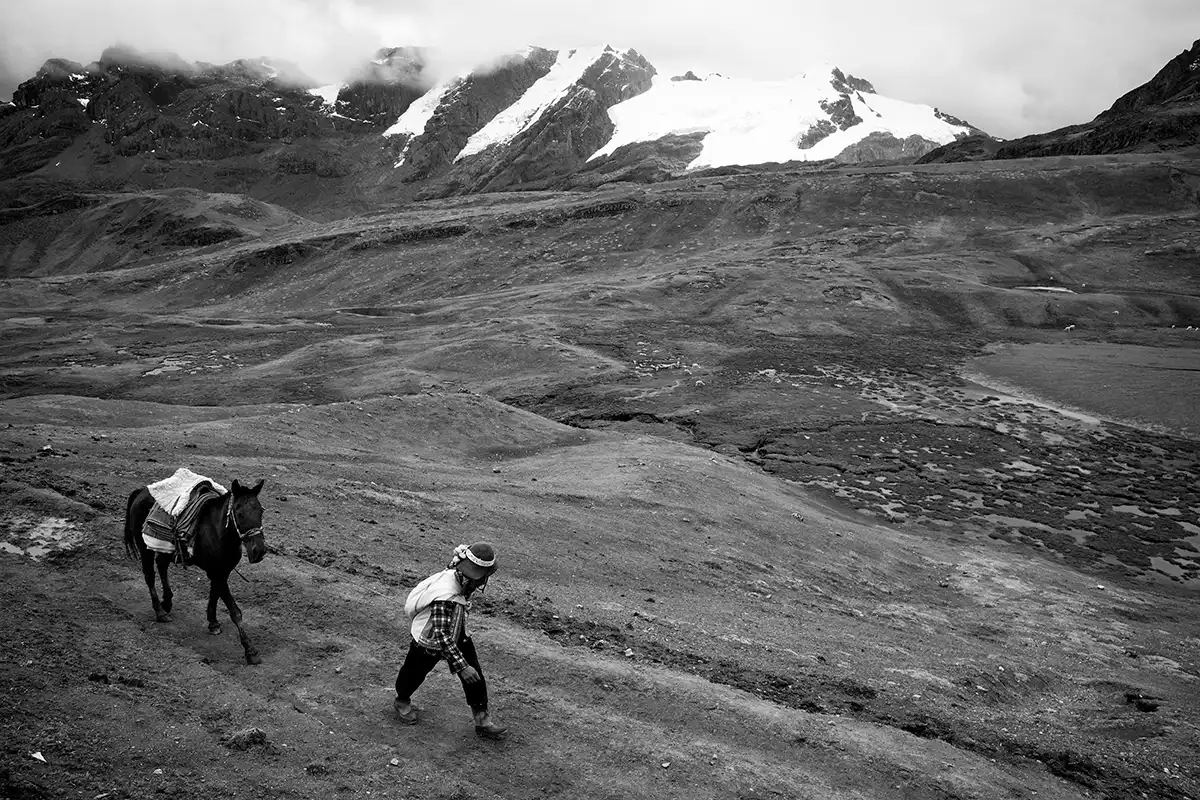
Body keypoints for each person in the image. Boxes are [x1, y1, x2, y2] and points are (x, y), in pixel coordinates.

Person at [394, 541, 507, 738]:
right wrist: (462, 667)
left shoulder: (458, 573)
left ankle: (482, 720)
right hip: (429, 638)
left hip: (457, 628)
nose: (482, 581)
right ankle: (402, 700)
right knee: (414, 673)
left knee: (475, 675)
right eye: (481, 578)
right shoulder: (444, 597)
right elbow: (441, 635)